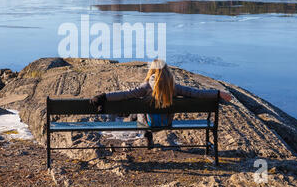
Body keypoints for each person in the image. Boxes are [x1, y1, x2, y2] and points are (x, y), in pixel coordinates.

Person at [90, 59, 233, 149]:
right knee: (145, 107)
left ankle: (146, 133)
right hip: (167, 122)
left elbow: (126, 93)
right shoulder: (174, 87)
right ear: (167, 72)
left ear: (152, 71)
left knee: (138, 105)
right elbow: (196, 93)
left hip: (148, 124)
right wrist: (218, 93)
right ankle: (143, 128)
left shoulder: (146, 86)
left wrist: (103, 96)